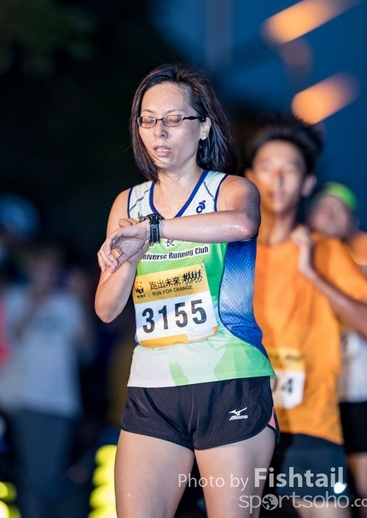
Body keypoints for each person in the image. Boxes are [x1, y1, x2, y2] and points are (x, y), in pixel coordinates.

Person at [95, 64, 278, 518]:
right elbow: (106, 308)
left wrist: (153, 231)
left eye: (174, 119)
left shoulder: (231, 190)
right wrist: (131, 256)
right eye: (148, 119)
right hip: (152, 388)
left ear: (204, 127)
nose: (159, 131)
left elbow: (243, 224)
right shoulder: (127, 203)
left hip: (228, 380)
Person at [244, 113, 367, 518]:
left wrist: (311, 273)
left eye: (290, 170)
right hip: (241, 425)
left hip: (311, 427)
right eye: (267, 168)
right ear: (250, 177)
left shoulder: (326, 251)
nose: (277, 179)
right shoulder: (232, 251)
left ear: (307, 183)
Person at [307, 182, 367, 518]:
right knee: (323, 493)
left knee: (366, 492)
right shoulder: (294, 260)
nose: (331, 213)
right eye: (323, 206)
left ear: (353, 222)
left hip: (359, 390)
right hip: (314, 397)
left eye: (340, 209)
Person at [1, 238, 94, 518]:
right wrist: (35, 303)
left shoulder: (67, 302)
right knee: (36, 475)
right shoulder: (15, 297)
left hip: (62, 400)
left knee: (51, 474)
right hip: (27, 398)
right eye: (40, 263)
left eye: (51, 264)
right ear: (30, 265)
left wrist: (82, 299)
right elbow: (13, 337)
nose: (45, 270)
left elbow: (87, 349)